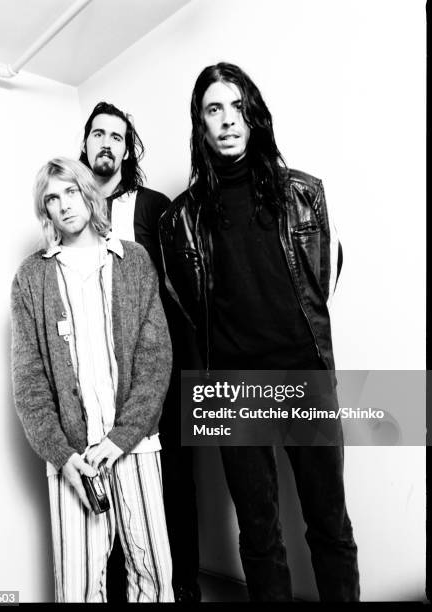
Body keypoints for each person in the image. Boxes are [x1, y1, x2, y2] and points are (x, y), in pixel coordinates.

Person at [159, 62, 360, 602]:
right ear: (201, 126)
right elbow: (186, 305)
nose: (227, 121)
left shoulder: (305, 195)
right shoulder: (179, 221)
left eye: (236, 107)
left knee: (330, 527)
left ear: (254, 115)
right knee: (260, 537)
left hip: (304, 379)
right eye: (213, 110)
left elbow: (326, 278)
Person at [11, 157, 174, 603]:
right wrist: (63, 457)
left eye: (70, 191)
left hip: (135, 446)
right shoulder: (32, 277)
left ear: (88, 192)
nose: (64, 205)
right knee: (79, 588)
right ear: (45, 211)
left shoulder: (133, 259)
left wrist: (122, 438)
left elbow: (155, 360)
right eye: (51, 198)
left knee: (155, 577)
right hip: (72, 459)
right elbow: (29, 382)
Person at [80, 102, 201, 602]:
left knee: (172, 480)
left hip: (161, 375)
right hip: (99, 377)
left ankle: (184, 588)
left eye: (118, 137)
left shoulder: (152, 207)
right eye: (98, 134)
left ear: (127, 151)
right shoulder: (72, 209)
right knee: (107, 485)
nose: (107, 143)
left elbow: (187, 289)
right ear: (85, 144)